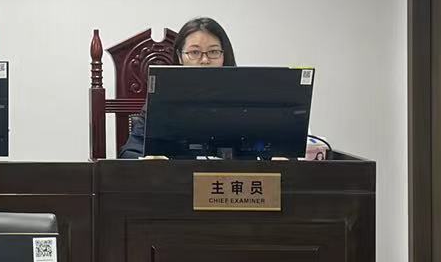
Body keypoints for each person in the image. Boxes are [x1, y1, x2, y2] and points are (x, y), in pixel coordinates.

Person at [120, 16, 329, 160]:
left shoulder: (247, 98)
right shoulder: (161, 101)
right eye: (194, 52)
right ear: (180, 57)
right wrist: (147, 161)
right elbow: (130, 152)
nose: (204, 60)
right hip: (179, 189)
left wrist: (281, 157)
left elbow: (271, 148)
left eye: (213, 52)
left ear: (224, 55)